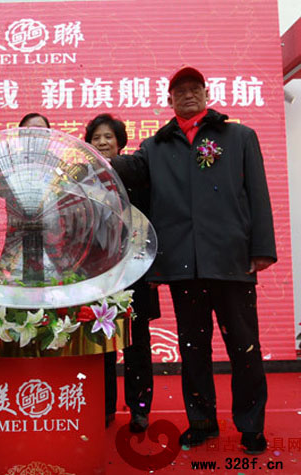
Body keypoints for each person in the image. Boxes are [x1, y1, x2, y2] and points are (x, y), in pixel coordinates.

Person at [111, 66, 276, 454]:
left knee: (244, 347)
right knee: (193, 349)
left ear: (205, 93)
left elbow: (258, 194)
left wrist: (262, 249)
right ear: (169, 100)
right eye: (180, 90)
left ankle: (251, 426)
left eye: (194, 88)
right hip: (183, 265)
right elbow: (129, 170)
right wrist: (90, 158)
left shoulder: (239, 137)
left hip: (232, 261)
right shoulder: (155, 147)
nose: (188, 94)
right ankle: (201, 422)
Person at [85, 113, 160, 432]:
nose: (102, 142)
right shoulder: (81, 179)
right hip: (95, 274)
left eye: (108, 137)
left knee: (137, 341)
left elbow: (152, 222)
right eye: (96, 138)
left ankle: (140, 408)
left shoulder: (138, 174)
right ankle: (102, 407)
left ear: (120, 142)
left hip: (135, 272)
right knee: (99, 341)